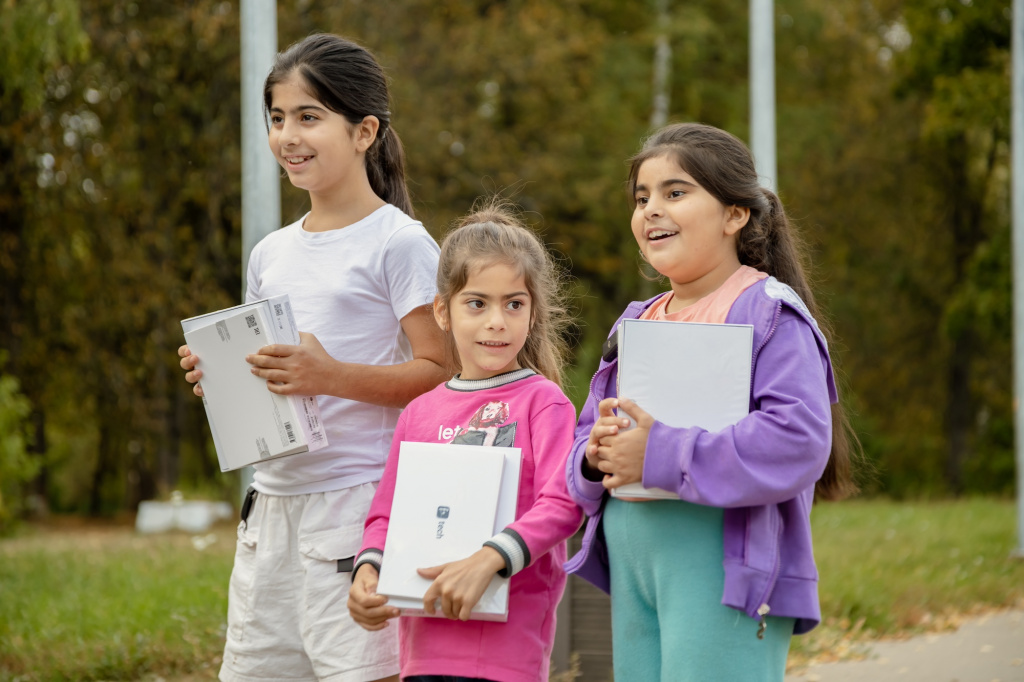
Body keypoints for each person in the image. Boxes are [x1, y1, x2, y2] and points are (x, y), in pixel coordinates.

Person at [177, 34, 447, 682]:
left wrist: (331, 377)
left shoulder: (401, 243)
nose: (288, 135)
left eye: (309, 116)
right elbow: (275, 373)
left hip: (355, 511)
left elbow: (443, 373)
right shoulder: (268, 253)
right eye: (277, 118)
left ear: (365, 131)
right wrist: (221, 381)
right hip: (268, 510)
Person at [564, 122, 859, 682]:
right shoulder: (636, 319)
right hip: (635, 571)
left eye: (675, 193)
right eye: (641, 197)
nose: (651, 209)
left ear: (734, 214)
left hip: (724, 572)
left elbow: (796, 441)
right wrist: (592, 455)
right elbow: (585, 434)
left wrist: (657, 453)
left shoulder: (768, 312)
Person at [347, 203, 583, 682]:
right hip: (424, 645)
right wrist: (367, 573)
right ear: (442, 311)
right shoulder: (419, 412)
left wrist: (489, 560)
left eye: (513, 304)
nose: (497, 320)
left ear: (532, 313)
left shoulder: (545, 403)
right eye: (477, 303)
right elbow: (384, 514)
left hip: (506, 653)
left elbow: (564, 504)